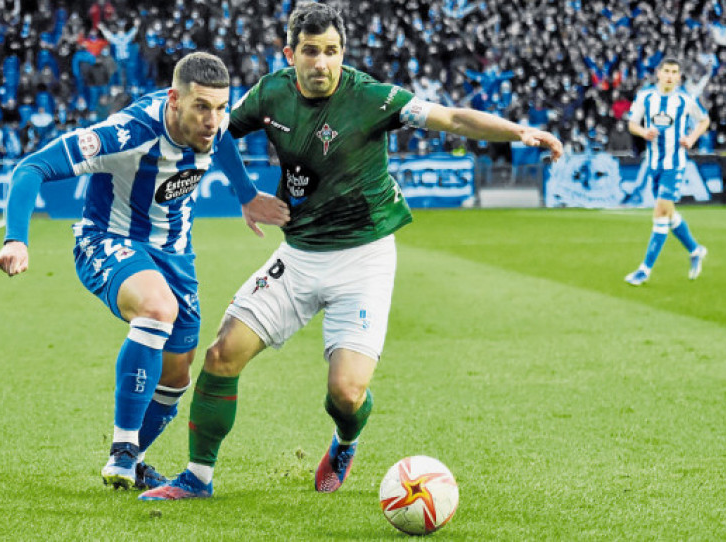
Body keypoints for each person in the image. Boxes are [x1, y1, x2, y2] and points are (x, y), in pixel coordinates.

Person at [139, 2, 563, 501]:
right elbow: (222, 132)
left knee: (345, 394)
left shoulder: (371, 98)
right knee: (221, 353)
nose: (322, 63)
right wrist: (246, 193)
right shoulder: (270, 92)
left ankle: (347, 438)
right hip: (298, 256)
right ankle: (198, 478)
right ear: (290, 54)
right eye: (311, 52)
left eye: (333, 52)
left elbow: (448, 116)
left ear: (344, 53)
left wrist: (516, 131)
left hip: (364, 260)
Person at [0, 52, 290, 490]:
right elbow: (32, 168)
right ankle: (123, 450)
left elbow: (223, 140)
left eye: (221, 108)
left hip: (175, 254)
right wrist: (16, 237)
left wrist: (246, 194)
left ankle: (135, 461)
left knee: (176, 374)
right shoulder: (127, 133)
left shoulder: (215, 121)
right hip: (110, 240)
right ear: (174, 99)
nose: (213, 119)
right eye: (202, 108)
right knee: (156, 308)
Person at [624, 58, 710, 286]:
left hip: (675, 164)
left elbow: (704, 120)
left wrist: (691, 138)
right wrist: (643, 133)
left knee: (661, 212)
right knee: (668, 214)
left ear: (679, 76)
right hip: (653, 164)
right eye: (667, 71)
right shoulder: (646, 97)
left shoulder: (685, 99)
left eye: (675, 72)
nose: (671, 76)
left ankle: (644, 270)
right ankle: (695, 250)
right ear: (658, 74)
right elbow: (632, 123)